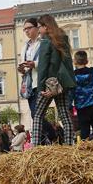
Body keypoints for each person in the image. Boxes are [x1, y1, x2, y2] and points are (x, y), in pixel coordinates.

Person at [32, 15, 76, 146]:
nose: (39, 30)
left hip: (49, 83)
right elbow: (68, 65)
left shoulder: (46, 41)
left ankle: (35, 147)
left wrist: (41, 89)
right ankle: (69, 146)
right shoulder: (63, 40)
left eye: (39, 27)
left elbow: (43, 66)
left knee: (38, 115)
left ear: (45, 26)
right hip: (62, 83)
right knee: (65, 115)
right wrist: (62, 84)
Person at [18, 17, 42, 127]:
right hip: (29, 84)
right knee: (34, 115)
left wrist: (35, 64)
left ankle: (52, 135)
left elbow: (48, 62)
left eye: (29, 28)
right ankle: (51, 136)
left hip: (40, 82)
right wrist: (22, 69)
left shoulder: (43, 43)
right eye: (25, 29)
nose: (27, 31)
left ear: (37, 28)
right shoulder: (24, 47)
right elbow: (23, 65)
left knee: (37, 114)